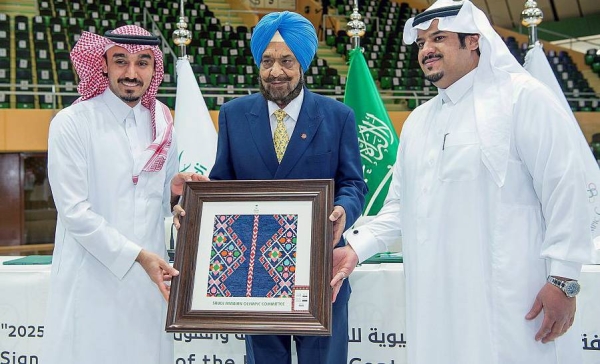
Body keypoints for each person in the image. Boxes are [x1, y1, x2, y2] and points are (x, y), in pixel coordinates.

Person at [332, 1, 595, 363]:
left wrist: (564, 280)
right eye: (421, 42)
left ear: (474, 41)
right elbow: (399, 208)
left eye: (438, 38)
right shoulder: (418, 122)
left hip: (511, 300)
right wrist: (356, 248)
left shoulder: (524, 99)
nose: (426, 50)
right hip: (435, 304)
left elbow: (565, 189)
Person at [195, 11, 366, 364]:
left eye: (287, 60)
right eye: (267, 60)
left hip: (321, 267)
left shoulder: (337, 116)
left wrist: (343, 209)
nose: (276, 71)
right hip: (253, 274)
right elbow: (223, 185)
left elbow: (353, 183)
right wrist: (199, 199)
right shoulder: (233, 115)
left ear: (303, 63)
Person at [42, 25, 206, 364]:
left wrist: (175, 194)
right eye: (121, 61)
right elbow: (75, 213)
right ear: (103, 64)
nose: (131, 73)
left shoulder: (162, 123)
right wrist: (138, 255)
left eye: (142, 62)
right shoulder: (72, 123)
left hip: (148, 285)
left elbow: (160, 203)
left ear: (153, 68)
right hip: (90, 280)